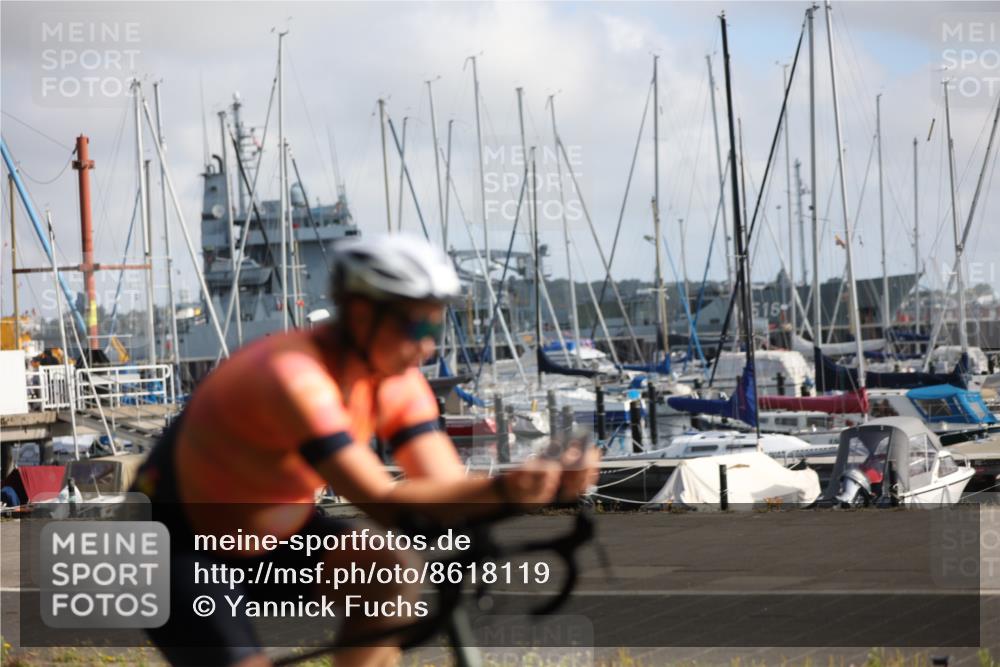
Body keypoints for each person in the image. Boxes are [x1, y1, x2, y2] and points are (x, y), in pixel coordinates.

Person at [133, 234, 598, 667]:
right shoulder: (292, 376)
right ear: (359, 313)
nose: (428, 345)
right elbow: (384, 502)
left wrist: (548, 484)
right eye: (416, 324)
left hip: (274, 534)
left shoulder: (398, 379)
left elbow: (445, 489)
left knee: (390, 571)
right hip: (178, 544)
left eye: (436, 323)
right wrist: (506, 491)